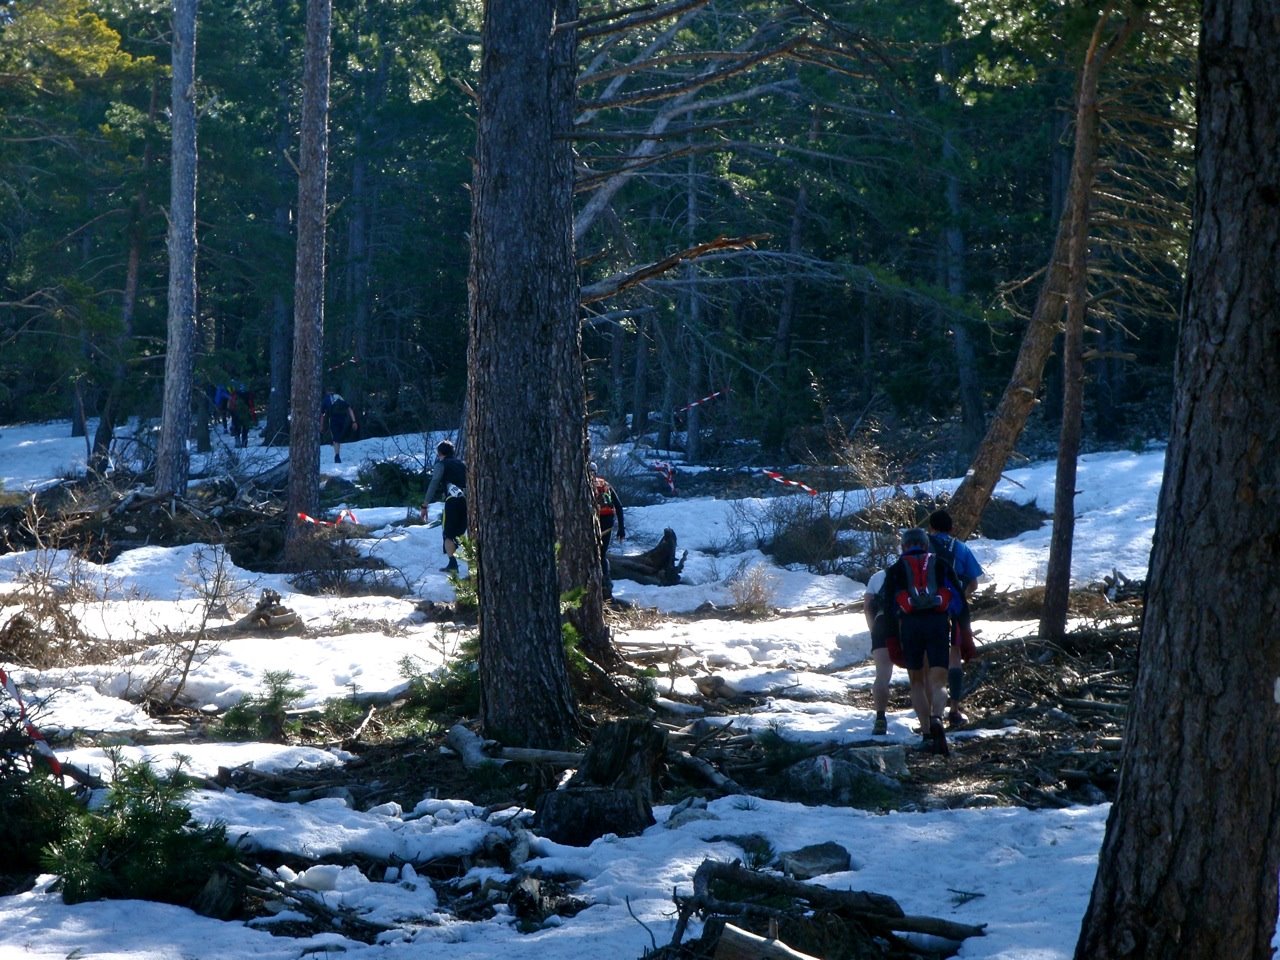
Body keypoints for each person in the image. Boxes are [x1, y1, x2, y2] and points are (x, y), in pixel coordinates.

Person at [879, 527, 964, 756]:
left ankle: (926, 733)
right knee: (939, 681)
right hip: (937, 623)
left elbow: (888, 609)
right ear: (926, 545)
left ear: (904, 546)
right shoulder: (941, 564)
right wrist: (962, 630)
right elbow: (959, 599)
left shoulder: (895, 570)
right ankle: (937, 716)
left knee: (916, 681)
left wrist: (892, 640)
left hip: (910, 627)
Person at [928, 508, 985, 728]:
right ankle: (954, 709)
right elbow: (973, 583)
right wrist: (959, 598)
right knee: (954, 658)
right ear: (951, 528)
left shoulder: (922, 548)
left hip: (926, 613)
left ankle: (933, 713)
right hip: (953, 610)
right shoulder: (960, 548)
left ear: (930, 528)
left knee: (930, 661)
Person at [421, 439, 467, 574]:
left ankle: (452, 563)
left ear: (440, 453)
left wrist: (425, 505)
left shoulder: (441, 465)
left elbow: (434, 482)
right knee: (460, 532)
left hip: (452, 501)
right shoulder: (461, 464)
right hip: (465, 500)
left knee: (448, 533)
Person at [862, 565, 895, 735]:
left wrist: (873, 629)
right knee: (918, 676)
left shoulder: (878, 576)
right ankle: (930, 721)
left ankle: (880, 718)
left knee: (882, 674)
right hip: (911, 624)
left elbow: (867, 606)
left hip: (882, 623)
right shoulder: (918, 572)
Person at [590, 463, 625, 599]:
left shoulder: (583, 484)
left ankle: (598, 585)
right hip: (608, 522)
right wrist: (621, 529)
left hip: (593, 520)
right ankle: (606, 583)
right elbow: (619, 506)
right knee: (602, 554)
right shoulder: (605, 484)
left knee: (593, 554)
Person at [320, 388, 357, 463]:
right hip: (343, 418)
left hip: (333, 418)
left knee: (335, 437)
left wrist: (321, 425)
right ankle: (337, 451)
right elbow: (349, 408)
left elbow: (322, 414)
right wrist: (354, 421)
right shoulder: (339, 397)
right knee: (338, 436)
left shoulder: (326, 399)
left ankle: (337, 455)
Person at [228, 384, 256, 449]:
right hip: (246, 413)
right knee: (245, 428)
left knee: (237, 427)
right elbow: (251, 406)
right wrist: (254, 417)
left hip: (235, 413)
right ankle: (244, 442)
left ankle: (237, 441)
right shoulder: (249, 394)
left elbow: (231, 405)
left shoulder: (235, 393)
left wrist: (231, 412)